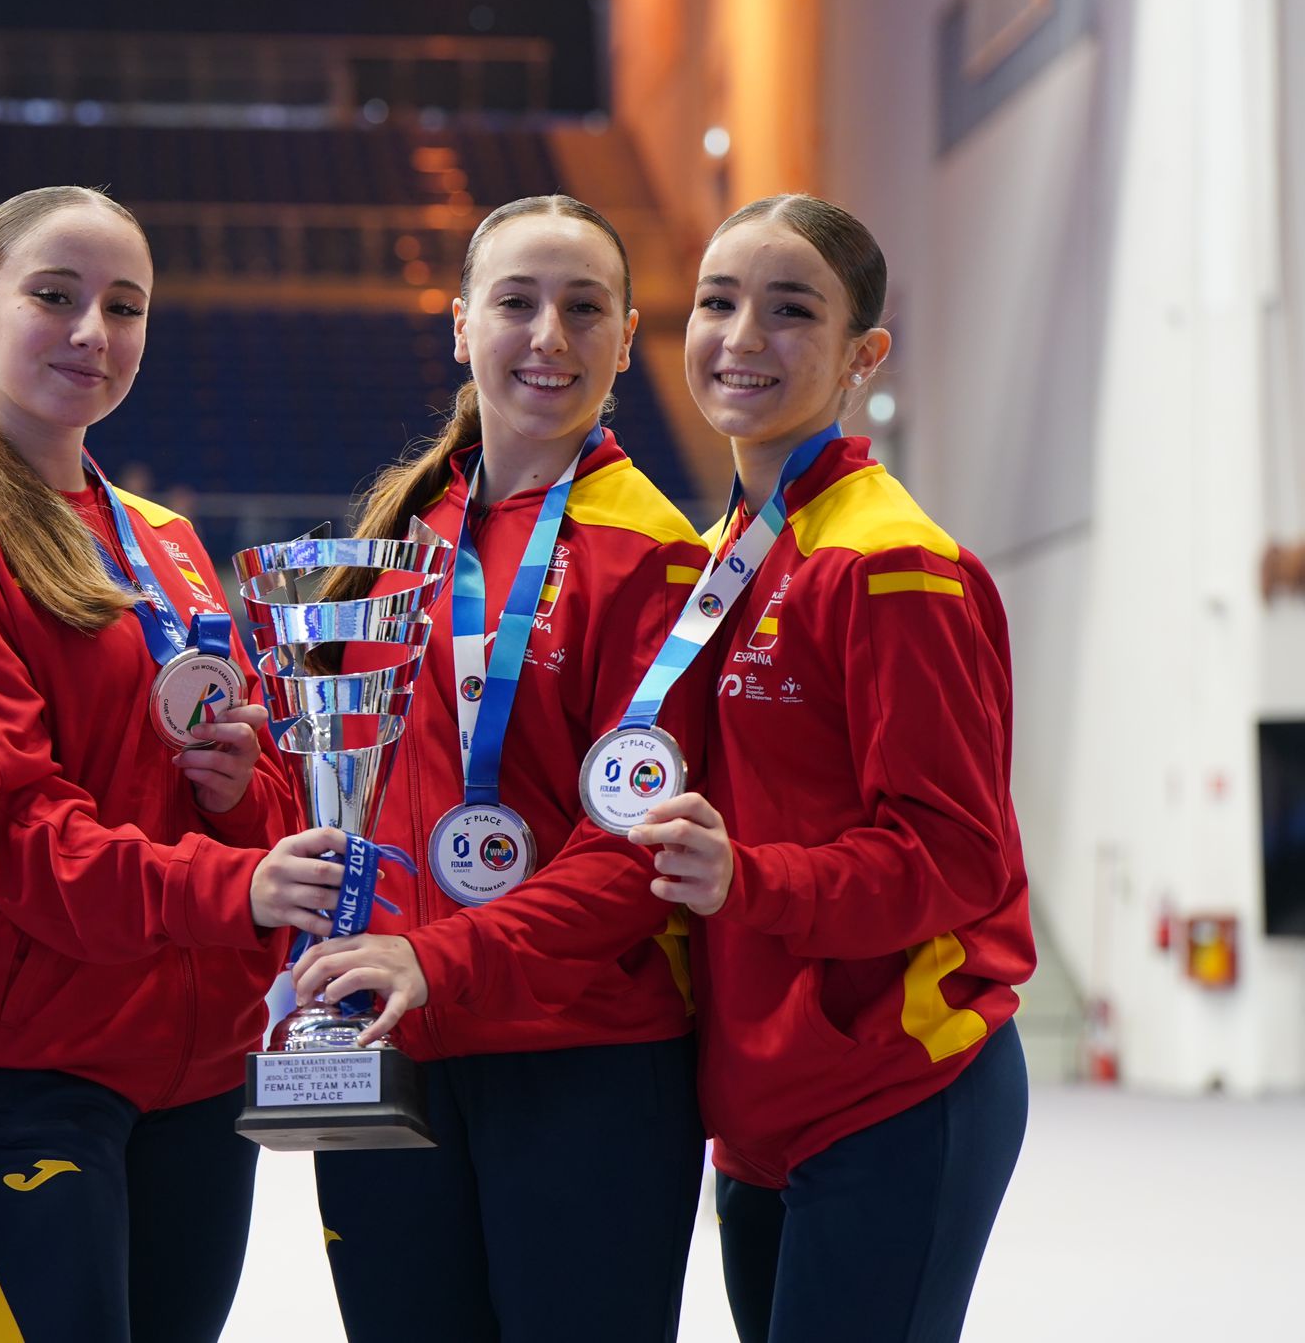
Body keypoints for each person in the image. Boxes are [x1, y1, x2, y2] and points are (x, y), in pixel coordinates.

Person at [0, 185, 333, 1343]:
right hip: (24, 1071)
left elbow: (255, 793)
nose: (91, 334)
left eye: (124, 306)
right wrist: (236, 887)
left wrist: (240, 792)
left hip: (195, 1070)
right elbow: (21, 839)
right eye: (53, 298)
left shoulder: (160, 539)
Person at [289, 194, 712, 1343]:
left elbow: (636, 851)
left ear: (627, 339)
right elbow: (355, 783)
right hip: (395, 1049)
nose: (548, 337)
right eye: (516, 303)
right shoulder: (406, 534)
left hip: (581, 1061)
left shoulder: (657, 557)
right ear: (462, 321)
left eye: (584, 309)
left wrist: (437, 954)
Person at [632, 193, 1034, 1343]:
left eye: (789, 309)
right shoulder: (720, 560)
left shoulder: (889, 562)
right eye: (716, 301)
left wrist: (745, 881)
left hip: (895, 1080)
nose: (740, 337)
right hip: (760, 1098)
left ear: (864, 355)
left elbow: (955, 856)